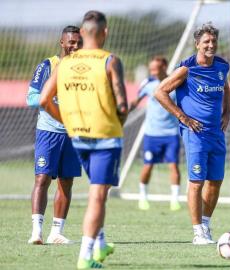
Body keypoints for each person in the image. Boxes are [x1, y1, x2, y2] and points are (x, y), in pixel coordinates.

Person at [40, 11, 128, 269]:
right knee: (98, 195)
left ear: (83, 32)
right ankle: (86, 256)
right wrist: (119, 121)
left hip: (78, 136)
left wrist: (67, 123)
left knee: (99, 191)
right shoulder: (110, 61)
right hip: (105, 136)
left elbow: (44, 100)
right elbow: (122, 105)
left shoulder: (64, 64)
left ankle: (100, 242)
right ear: (105, 32)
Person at [155, 23, 230, 245]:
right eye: (206, 41)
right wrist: (183, 117)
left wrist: (227, 112)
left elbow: (225, 87)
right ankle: (197, 231)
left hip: (216, 133)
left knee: (215, 181)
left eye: (214, 41)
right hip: (195, 133)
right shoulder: (187, 69)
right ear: (197, 44)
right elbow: (160, 92)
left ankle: (205, 224)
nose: (211, 44)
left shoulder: (222, 66)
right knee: (196, 182)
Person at [27, 25, 82, 245]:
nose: (75, 46)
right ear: (62, 42)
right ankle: (36, 232)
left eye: (79, 43)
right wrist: (54, 96)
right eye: (71, 42)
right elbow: (31, 98)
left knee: (66, 182)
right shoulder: (48, 65)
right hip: (48, 132)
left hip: (73, 135)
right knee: (42, 179)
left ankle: (56, 232)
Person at [129, 56, 181, 211]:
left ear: (164, 67)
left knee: (173, 166)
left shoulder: (175, 82)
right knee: (148, 166)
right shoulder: (148, 84)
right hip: (152, 134)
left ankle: (175, 200)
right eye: (150, 68)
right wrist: (123, 110)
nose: (152, 71)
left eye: (155, 68)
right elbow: (136, 102)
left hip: (171, 133)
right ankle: (143, 197)